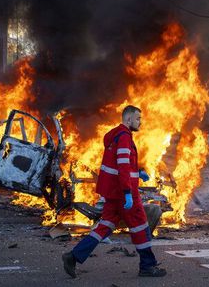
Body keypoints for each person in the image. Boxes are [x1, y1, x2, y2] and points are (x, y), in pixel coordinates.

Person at [62, 106, 166, 278]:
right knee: (141, 227)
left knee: (104, 226)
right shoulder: (124, 137)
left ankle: (73, 256)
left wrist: (137, 172)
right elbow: (123, 166)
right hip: (124, 194)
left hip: (112, 193)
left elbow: (121, 164)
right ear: (128, 119)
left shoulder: (116, 135)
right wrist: (127, 193)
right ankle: (147, 266)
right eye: (138, 118)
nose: (140, 121)